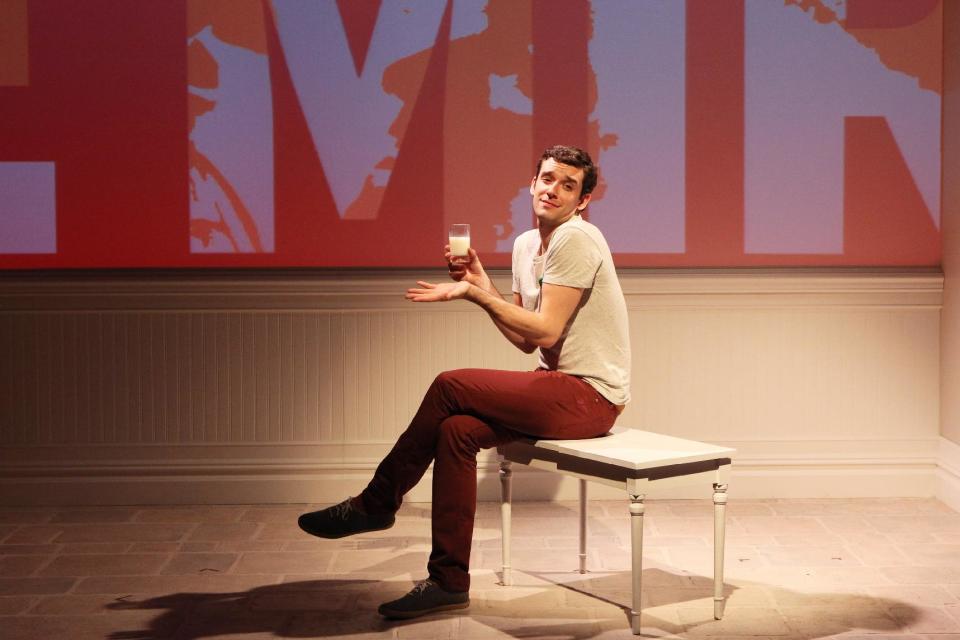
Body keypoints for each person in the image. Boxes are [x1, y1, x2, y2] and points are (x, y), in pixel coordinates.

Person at [297, 145, 631, 619]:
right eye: (547, 179)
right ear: (532, 184)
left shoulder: (577, 238)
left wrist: (474, 294)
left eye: (568, 185)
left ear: (582, 202)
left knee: (450, 385)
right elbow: (523, 338)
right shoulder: (524, 245)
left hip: (591, 397)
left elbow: (548, 331)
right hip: (554, 387)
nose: (553, 189)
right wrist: (482, 284)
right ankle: (448, 581)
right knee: (456, 433)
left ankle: (376, 502)